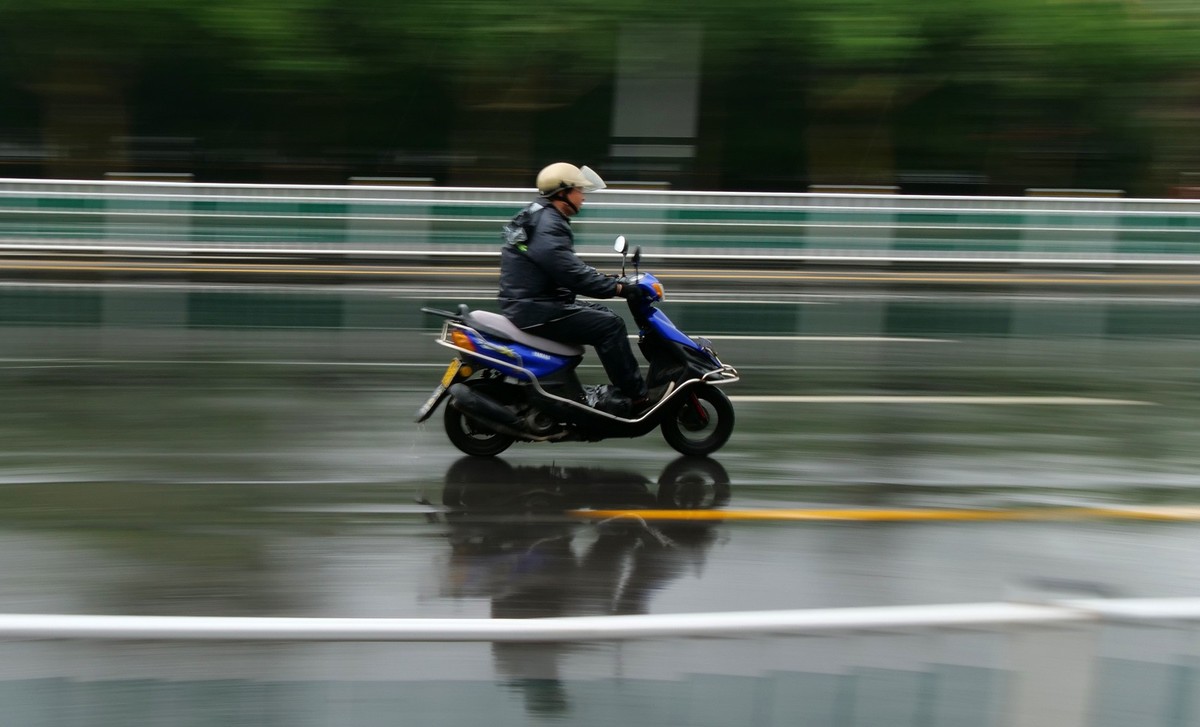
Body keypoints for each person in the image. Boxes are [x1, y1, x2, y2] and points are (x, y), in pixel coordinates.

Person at [498, 162, 666, 411]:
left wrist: (609, 280)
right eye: (579, 190)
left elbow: (564, 266)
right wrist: (618, 289)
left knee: (604, 315)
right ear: (563, 192)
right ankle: (637, 396)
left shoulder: (540, 214)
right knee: (610, 326)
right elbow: (570, 273)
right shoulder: (550, 224)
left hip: (533, 302)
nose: (584, 197)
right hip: (537, 308)